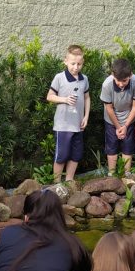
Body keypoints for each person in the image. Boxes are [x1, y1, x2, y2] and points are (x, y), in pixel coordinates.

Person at [46, 45, 90, 182]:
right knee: (62, 155)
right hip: (63, 124)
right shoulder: (59, 78)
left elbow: (87, 98)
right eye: (72, 64)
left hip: (78, 124)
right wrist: (64, 99)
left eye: (79, 64)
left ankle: (69, 181)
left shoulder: (84, 79)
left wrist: (86, 116)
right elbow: (49, 96)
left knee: (76, 154)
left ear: (82, 63)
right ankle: (57, 183)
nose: (76, 67)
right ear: (65, 61)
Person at [100, 58, 135, 176]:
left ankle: (126, 173)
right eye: (118, 80)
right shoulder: (107, 84)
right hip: (111, 119)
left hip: (129, 118)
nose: (121, 84)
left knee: (128, 146)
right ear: (112, 75)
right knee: (111, 145)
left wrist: (125, 126)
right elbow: (109, 108)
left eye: (124, 80)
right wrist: (118, 127)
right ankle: (112, 173)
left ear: (130, 75)